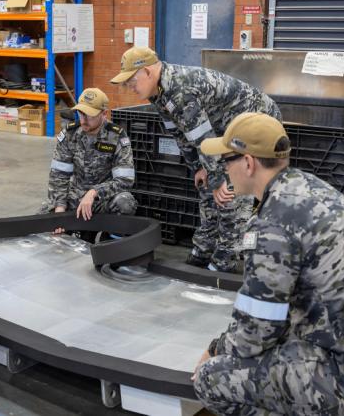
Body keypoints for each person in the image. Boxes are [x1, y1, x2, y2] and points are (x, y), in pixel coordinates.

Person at [192, 112, 344, 414]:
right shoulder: (307, 187)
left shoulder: (272, 227)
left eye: (226, 160)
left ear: (248, 163)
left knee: (212, 380)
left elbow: (254, 335)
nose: (224, 169)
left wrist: (215, 350)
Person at [111, 47, 281, 272]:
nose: (129, 87)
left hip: (257, 124)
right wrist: (199, 168)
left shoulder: (179, 89)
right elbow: (180, 134)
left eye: (131, 81)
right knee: (208, 185)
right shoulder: (158, 93)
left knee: (231, 189)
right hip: (223, 129)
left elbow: (203, 138)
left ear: (148, 72)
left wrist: (219, 178)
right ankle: (205, 246)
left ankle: (225, 259)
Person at [41, 88, 137, 225]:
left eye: (90, 115)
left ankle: (109, 240)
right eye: (81, 113)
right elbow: (59, 175)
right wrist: (59, 210)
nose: (84, 120)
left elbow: (125, 180)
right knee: (43, 215)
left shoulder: (116, 136)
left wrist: (94, 192)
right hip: (76, 198)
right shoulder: (70, 133)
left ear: (104, 114)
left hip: (103, 199)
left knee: (125, 203)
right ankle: (73, 235)